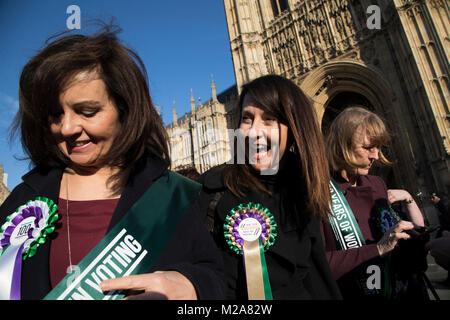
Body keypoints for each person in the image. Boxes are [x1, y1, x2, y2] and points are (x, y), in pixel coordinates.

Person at [0, 26, 225, 300]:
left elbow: (215, 276)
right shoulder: (25, 201)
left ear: (124, 108)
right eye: (56, 115)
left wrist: (192, 287)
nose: (67, 127)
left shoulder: (166, 194)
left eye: (87, 111)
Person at [198, 75, 342, 299]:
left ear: (294, 127)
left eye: (269, 118)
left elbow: (316, 278)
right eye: (247, 119)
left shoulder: (303, 189)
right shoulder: (211, 188)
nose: (254, 131)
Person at [321, 106, 428, 300]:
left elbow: (390, 244)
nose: (376, 156)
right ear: (342, 144)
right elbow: (318, 264)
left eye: (378, 148)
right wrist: (377, 249)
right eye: (368, 148)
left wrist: (417, 241)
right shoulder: (319, 192)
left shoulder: (377, 184)